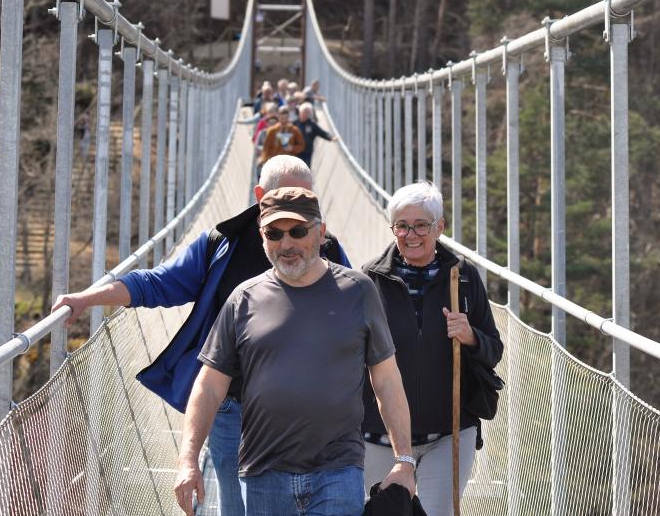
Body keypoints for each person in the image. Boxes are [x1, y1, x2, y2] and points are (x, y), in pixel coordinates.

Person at [51, 156, 350, 516]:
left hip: (299, 409)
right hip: (229, 405)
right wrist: (88, 298)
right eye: (281, 196)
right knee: (234, 504)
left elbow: (359, 312)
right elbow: (158, 284)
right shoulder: (222, 244)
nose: (291, 209)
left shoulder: (324, 248)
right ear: (259, 195)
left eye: (302, 197)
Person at [173, 187, 416, 516]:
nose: (286, 244)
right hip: (263, 475)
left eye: (298, 231)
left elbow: (386, 379)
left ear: (321, 232)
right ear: (262, 237)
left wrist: (403, 459)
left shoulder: (358, 291)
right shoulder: (243, 299)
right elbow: (209, 384)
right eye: (274, 233)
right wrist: (189, 460)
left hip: (338, 470)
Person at [361, 181, 503, 516]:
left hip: (449, 432)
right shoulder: (369, 279)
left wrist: (470, 336)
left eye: (421, 225)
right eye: (402, 226)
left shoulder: (464, 277)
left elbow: (493, 349)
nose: (411, 235)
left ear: (440, 227)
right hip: (381, 438)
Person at [295, 102, 337, 167]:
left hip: (307, 153)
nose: (305, 114)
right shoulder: (294, 124)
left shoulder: (311, 124)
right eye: (304, 112)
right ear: (300, 112)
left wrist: (331, 137)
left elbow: (322, 133)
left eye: (307, 112)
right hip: (296, 152)